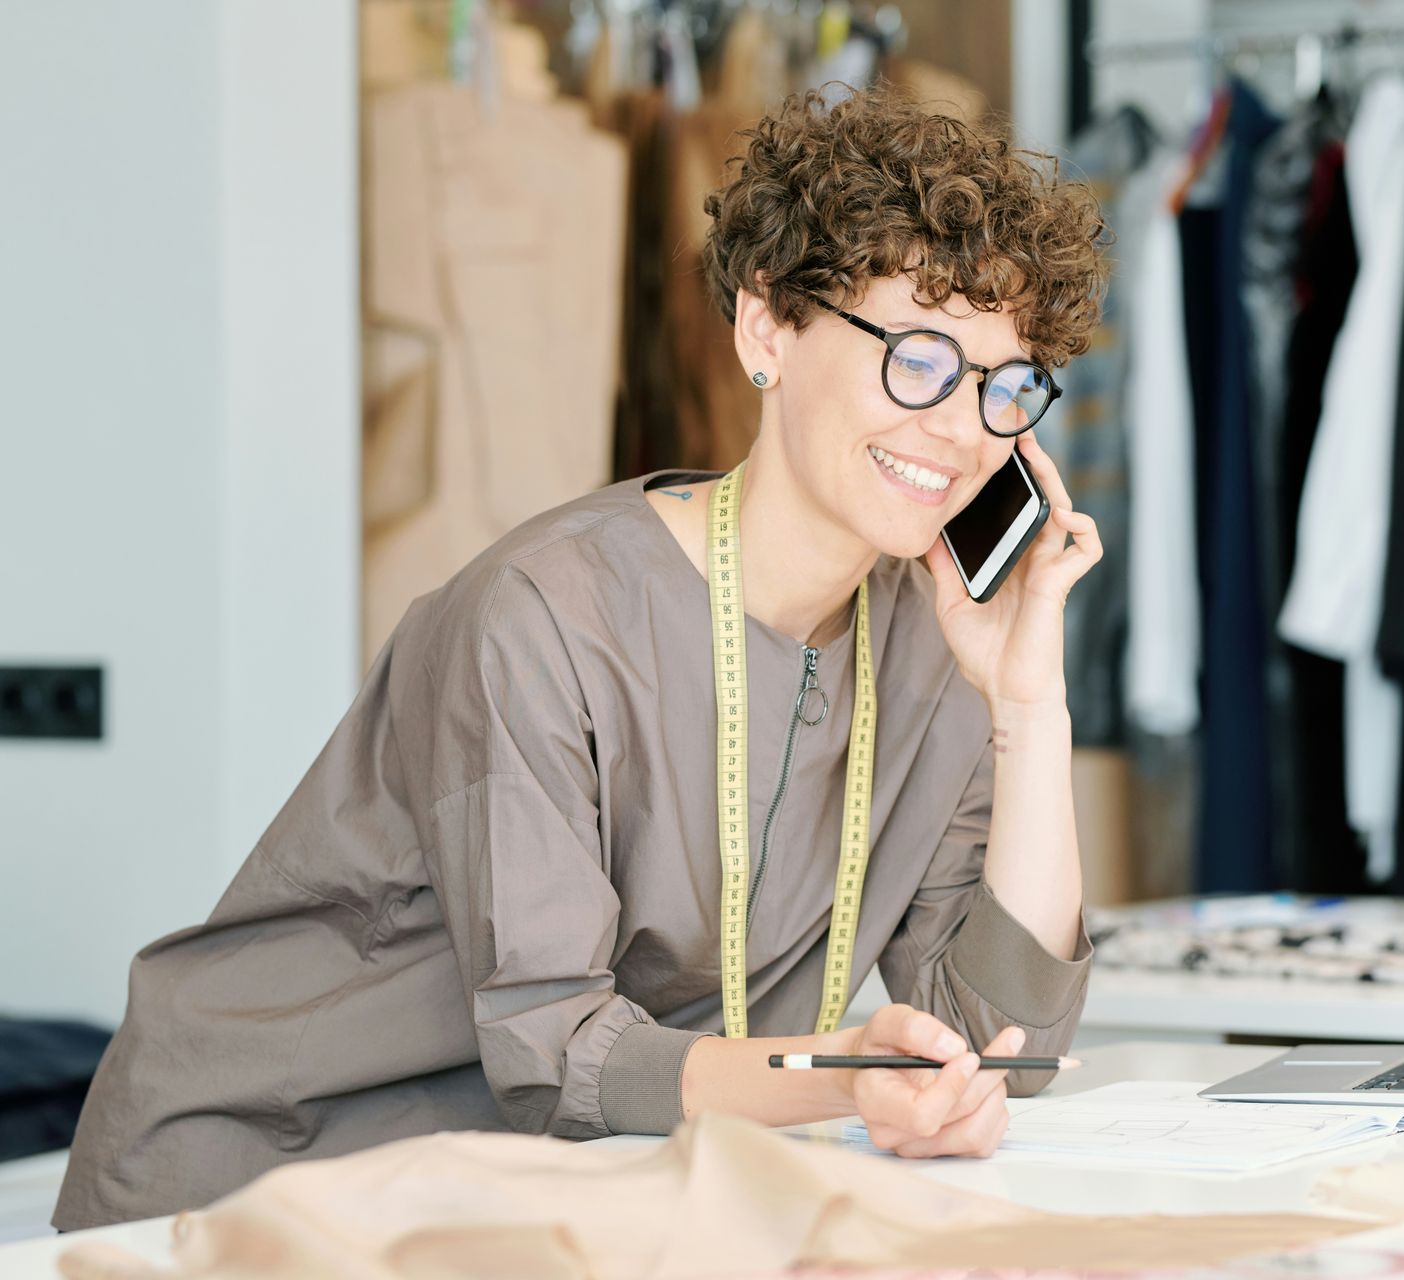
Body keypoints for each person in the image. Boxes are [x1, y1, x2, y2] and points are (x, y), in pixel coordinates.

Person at [54, 84, 1110, 1230]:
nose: (962, 428)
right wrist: (840, 1076)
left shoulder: (938, 641)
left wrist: (1028, 700)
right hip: (260, 1183)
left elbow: (1006, 1046)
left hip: (552, 1199)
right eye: (918, 358)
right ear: (767, 330)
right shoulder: (541, 613)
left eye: (1005, 386)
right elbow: (557, 1051)